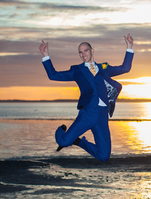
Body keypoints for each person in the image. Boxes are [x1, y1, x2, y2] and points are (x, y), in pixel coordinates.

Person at [39, 34, 134, 162]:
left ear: (92, 51)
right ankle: (61, 129)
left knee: (104, 156)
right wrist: (46, 55)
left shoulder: (104, 68)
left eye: (85, 51)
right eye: (80, 52)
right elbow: (53, 75)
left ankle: (80, 142)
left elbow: (125, 68)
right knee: (64, 141)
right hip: (88, 113)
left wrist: (129, 46)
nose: (83, 54)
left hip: (102, 114)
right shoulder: (77, 70)